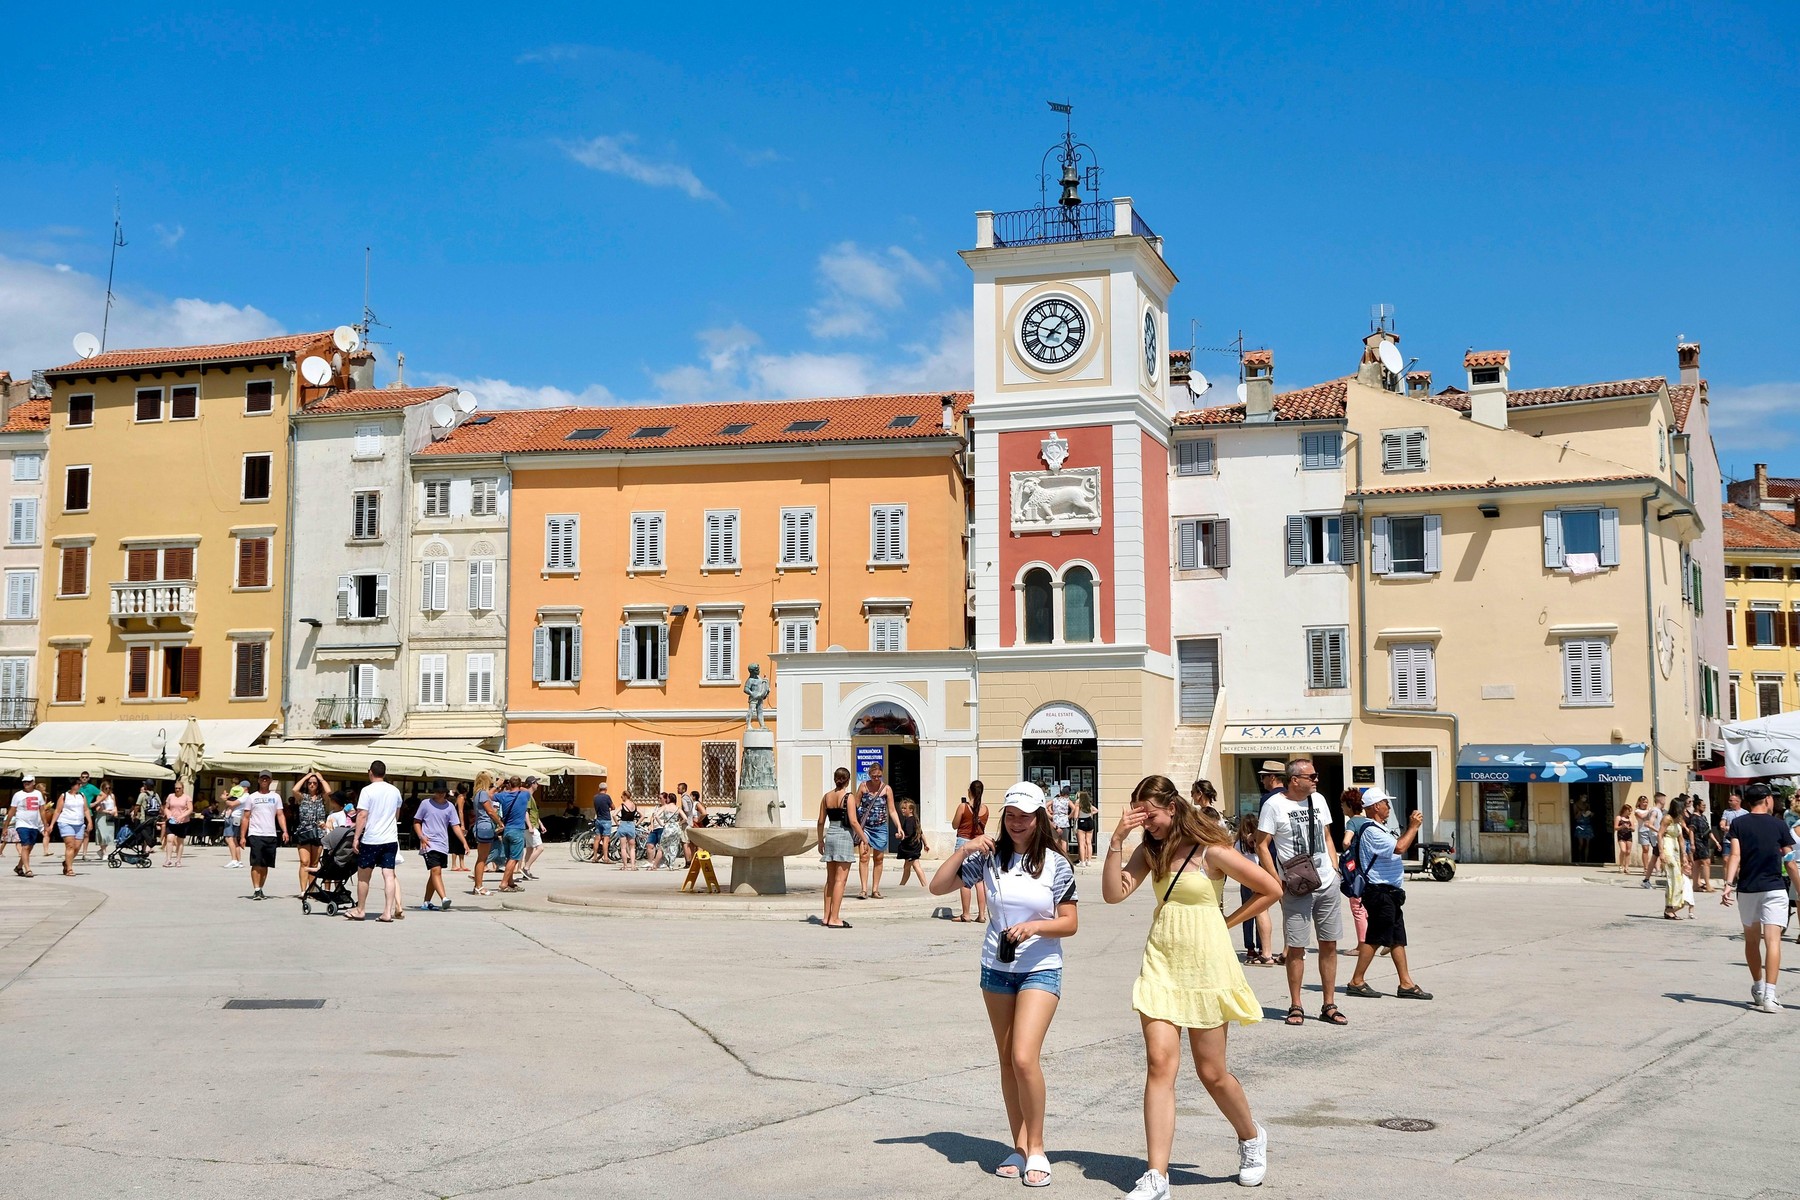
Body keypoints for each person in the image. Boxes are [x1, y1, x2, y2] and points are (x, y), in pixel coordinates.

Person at [1104, 775, 1279, 1196]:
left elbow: (1270, 888)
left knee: (1212, 1072)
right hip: (1163, 962)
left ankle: (1251, 1137)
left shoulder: (1212, 850)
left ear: (1172, 806)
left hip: (1207, 966)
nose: (1149, 824)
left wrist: (1227, 922)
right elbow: (1114, 894)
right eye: (1140, 817)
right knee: (1159, 1065)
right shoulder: (1150, 851)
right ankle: (1157, 1176)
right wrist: (1116, 840)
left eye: (1152, 816)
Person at [928, 781, 1078, 1188]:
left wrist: (1034, 928)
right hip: (996, 967)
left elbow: (1070, 922)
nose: (1017, 824)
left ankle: (1039, 1148)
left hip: (1040, 966)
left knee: (1025, 1057)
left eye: (1025, 817)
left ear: (1039, 817)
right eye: (1011, 816)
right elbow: (937, 886)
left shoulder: (1055, 863)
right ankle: (1018, 1145)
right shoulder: (990, 858)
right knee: (1007, 1060)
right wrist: (965, 848)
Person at [1255, 756, 1346, 1027]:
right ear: (1295, 780)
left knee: (1329, 944)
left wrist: (1335, 866)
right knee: (1296, 947)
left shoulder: (1319, 800)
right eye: (1312, 777)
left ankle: (1328, 1004)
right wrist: (1276, 880)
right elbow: (1262, 844)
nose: (1317, 780)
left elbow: (1328, 835)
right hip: (1296, 885)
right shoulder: (1273, 805)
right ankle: (1296, 1005)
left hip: (1327, 882)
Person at [1344, 787, 1434, 1000]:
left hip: (1390, 893)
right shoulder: (1372, 831)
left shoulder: (1380, 828)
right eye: (1386, 803)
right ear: (1376, 806)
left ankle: (1406, 983)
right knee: (1376, 937)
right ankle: (1356, 981)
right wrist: (1413, 827)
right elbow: (1400, 847)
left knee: (1396, 938)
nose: (1389, 807)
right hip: (1379, 892)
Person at [1722, 784, 1794, 1013]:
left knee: (1752, 940)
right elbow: (1790, 861)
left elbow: (1735, 854)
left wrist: (1727, 883)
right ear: (1766, 800)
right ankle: (1770, 997)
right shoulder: (1779, 825)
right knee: (1773, 941)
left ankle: (1759, 987)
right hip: (1774, 889)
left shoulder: (1738, 824)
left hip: (1747, 889)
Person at [348, 761, 403, 922]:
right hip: (390, 838)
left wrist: (356, 837)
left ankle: (361, 909)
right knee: (389, 875)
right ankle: (387, 912)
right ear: (384, 773)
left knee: (364, 876)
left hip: (372, 838)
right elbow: (396, 815)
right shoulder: (394, 790)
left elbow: (362, 815)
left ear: (370, 772)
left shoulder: (367, 790)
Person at [815, 768, 863, 928]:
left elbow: (821, 821)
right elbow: (854, 822)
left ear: (835, 779)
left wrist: (820, 840)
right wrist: (865, 839)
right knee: (840, 880)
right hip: (843, 836)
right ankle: (835, 918)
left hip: (830, 835)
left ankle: (826, 916)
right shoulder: (848, 797)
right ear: (848, 780)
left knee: (830, 879)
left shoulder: (827, 797)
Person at [413, 781, 468, 911]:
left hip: (442, 844)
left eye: (443, 792)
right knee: (436, 871)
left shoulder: (449, 807)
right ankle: (444, 898)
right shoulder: (425, 804)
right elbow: (416, 821)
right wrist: (421, 836)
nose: (440, 794)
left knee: (435, 873)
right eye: (438, 791)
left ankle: (426, 902)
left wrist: (464, 842)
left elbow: (455, 825)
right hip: (429, 843)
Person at [855, 762, 903, 900]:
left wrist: (898, 826)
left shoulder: (886, 789)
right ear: (869, 774)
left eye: (879, 776)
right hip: (865, 827)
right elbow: (856, 804)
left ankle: (875, 889)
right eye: (874, 776)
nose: (876, 778)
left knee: (879, 858)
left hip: (880, 827)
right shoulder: (863, 786)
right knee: (864, 857)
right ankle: (863, 889)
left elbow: (892, 809)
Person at [1232, 815, 1274, 965]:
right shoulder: (1260, 843)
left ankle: (1250, 947)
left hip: (1246, 881)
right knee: (1262, 913)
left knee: (1247, 914)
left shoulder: (1239, 844)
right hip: (1261, 880)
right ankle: (1263, 946)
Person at [241, 771, 289, 901]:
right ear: (258, 780)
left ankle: (261, 888)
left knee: (266, 864)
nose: (264, 780)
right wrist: (242, 836)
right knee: (256, 863)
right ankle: (256, 889)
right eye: (262, 778)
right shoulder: (252, 797)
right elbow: (246, 817)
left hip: (271, 833)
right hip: (256, 833)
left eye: (267, 778)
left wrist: (285, 831)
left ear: (270, 781)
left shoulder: (276, 797)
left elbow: (280, 815)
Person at [952, 782, 990, 923]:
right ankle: (981, 914)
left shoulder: (963, 807)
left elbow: (955, 824)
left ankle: (966, 914)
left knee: (964, 880)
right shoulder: (985, 809)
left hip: (964, 842)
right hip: (980, 843)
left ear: (969, 791)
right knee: (980, 880)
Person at [1339, 790, 1372, 953]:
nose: (1342, 808)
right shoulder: (1368, 821)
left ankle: (1362, 945)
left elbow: (1346, 841)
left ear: (1350, 806)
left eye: (1343, 805)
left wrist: (1348, 849)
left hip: (1356, 869)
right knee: (1368, 906)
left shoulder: (1352, 823)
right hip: (1369, 869)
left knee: (1357, 906)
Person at [291, 771, 328, 893]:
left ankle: (312, 889)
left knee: (314, 863)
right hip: (304, 831)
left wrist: (320, 778)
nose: (312, 785)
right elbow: (294, 790)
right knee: (304, 861)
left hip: (318, 832)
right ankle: (303, 890)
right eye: (310, 783)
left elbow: (329, 792)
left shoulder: (322, 798)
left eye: (315, 783)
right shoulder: (303, 797)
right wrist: (307, 776)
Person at [1660, 796, 1694, 919]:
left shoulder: (1678, 819)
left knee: (1677, 877)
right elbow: (1660, 835)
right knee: (1673, 877)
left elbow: (1681, 838)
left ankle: (1670, 907)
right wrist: (1661, 852)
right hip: (1667, 848)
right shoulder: (1667, 818)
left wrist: (1684, 855)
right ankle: (1670, 907)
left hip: (1675, 850)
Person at [7, 773, 46, 877]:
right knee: (25, 846)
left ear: (33, 783)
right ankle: (28, 869)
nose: (26, 784)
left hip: (34, 825)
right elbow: (12, 810)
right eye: (24, 782)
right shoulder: (18, 795)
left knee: (29, 847)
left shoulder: (38, 794)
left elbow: (42, 810)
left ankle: (19, 867)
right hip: (21, 824)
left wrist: (45, 824)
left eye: (28, 782)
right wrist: (6, 826)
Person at [496, 776, 531, 892]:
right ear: (520, 784)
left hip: (506, 831)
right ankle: (504, 883)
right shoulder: (524, 795)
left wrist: (499, 785)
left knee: (509, 858)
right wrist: (518, 786)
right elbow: (528, 790)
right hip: (517, 830)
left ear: (509, 784)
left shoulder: (503, 795)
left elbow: (489, 795)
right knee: (514, 858)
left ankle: (510, 882)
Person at [469, 771, 500, 894]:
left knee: (481, 858)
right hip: (485, 827)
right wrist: (499, 822)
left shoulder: (477, 794)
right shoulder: (482, 794)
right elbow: (490, 811)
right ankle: (479, 886)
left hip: (480, 826)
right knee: (482, 858)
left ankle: (478, 885)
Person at [53, 780, 91, 876]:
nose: (80, 786)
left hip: (79, 823)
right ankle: (69, 869)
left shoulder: (82, 796)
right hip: (66, 822)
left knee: (77, 847)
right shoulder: (64, 796)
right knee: (70, 845)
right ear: (73, 785)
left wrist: (90, 821)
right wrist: (52, 824)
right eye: (78, 784)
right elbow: (57, 810)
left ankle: (66, 862)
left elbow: (86, 809)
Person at [894, 798, 928, 887]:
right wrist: (925, 844)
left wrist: (899, 835)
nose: (903, 810)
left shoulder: (909, 821)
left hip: (911, 848)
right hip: (914, 847)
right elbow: (920, 832)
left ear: (911, 810)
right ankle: (902, 884)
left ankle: (925, 885)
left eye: (905, 808)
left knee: (916, 866)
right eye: (902, 808)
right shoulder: (914, 820)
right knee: (907, 866)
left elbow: (908, 834)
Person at [161, 779, 194, 867]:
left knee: (180, 841)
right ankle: (168, 859)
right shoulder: (170, 796)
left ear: (183, 788)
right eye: (176, 788)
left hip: (182, 822)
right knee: (169, 839)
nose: (177, 790)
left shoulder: (187, 797)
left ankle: (178, 860)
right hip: (171, 821)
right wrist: (168, 814)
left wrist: (182, 816)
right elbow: (166, 807)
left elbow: (190, 809)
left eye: (179, 788)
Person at [522, 780, 549, 879]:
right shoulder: (528, 796)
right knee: (540, 848)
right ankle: (526, 868)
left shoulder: (531, 796)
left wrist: (541, 824)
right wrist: (529, 826)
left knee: (530, 849)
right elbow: (526, 812)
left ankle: (526, 872)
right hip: (531, 826)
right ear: (532, 784)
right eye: (536, 783)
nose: (538, 785)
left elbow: (534, 813)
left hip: (533, 825)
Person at [1640, 794, 1667, 887]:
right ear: (1661, 800)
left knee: (1655, 858)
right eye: (1664, 799)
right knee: (1663, 856)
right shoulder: (1655, 811)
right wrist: (1660, 831)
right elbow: (1649, 824)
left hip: (1656, 837)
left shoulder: (1657, 810)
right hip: (1656, 838)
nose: (1665, 801)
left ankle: (1646, 880)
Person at [655, 791, 686, 869]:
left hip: (667, 827)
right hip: (676, 828)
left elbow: (656, 816)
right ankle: (671, 865)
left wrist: (662, 824)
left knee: (662, 847)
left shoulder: (666, 807)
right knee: (673, 846)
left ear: (669, 799)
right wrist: (679, 823)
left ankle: (655, 865)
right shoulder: (678, 808)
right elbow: (685, 818)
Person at [90, 780, 119, 860]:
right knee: (103, 835)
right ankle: (104, 852)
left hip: (110, 816)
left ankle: (101, 850)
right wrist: (107, 811)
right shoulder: (100, 796)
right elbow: (98, 808)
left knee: (109, 836)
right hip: (102, 816)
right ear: (102, 788)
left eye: (109, 788)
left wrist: (115, 812)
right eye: (106, 788)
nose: (108, 790)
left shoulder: (112, 796)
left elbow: (115, 805)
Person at [223, 782, 248, 869]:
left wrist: (224, 799)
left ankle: (234, 860)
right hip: (236, 817)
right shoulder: (241, 795)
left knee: (229, 838)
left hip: (234, 817)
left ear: (245, 788)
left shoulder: (245, 796)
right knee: (233, 839)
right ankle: (238, 861)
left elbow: (232, 804)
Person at [449, 782, 472, 873]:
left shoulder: (464, 798)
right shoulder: (461, 797)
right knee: (456, 842)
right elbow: (460, 811)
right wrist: (462, 824)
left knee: (462, 842)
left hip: (464, 821)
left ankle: (462, 863)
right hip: (458, 822)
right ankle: (454, 864)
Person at [590, 779, 614, 865]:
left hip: (598, 819)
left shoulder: (595, 797)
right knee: (606, 839)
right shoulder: (607, 797)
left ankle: (595, 857)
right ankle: (606, 858)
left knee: (597, 839)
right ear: (606, 789)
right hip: (606, 820)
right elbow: (613, 807)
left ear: (598, 789)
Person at [616, 793, 642, 871]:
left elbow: (614, 814)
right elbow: (642, 815)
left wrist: (617, 823)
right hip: (631, 825)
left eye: (622, 796)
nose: (621, 798)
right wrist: (637, 823)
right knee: (632, 848)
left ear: (625, 796)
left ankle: (625, 866)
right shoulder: (634, 805)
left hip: (623, 825)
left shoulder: (622, 805)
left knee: (623, 848)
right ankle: (633, 865)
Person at [1075, 791, 1097, 866]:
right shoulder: (1089, 804)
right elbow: (1092, 812)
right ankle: (1089, 861)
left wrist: (1075, 822)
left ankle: (1082, 861)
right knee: (1089, 842)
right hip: (1089, 821)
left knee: (1082, 843)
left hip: (1082, 822)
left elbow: (1075, 815)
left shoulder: (1078, 803)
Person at [1613, 801, 1635, 872]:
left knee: (1628, 851)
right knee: (1623, 850)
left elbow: (1633, 828)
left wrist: (1630, 828)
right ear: (1625, 810)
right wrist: (1622, 826)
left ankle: (1627, 867)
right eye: (1629, 811)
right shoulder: (1618, 818)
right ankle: (1621, 865)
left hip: (1628, 835)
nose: (1630, 813)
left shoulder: (1630, 818)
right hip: (1621, 835)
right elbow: (1615, 827)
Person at [1051, 784, 1073, 856]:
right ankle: (1064, 855)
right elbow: (1074, 808)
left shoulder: (1054, 800)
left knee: (1055, 839)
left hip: (1056, 821)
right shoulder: (1067, 800)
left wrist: (1051, 816)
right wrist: (1069, 816)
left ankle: (1055, 854)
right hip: (1064, 821)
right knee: (1064, 840)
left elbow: (1045, 806)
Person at [1572, 798, 1594, 864]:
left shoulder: (1587, 805)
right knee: (1581, 844)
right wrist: (1579, 813)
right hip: (1580, 826)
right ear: (1580, 796)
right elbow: (1575, 817)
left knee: (1587, 844)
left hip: (1587, 826)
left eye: (1586, 797)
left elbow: (1591, 816)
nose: (1585, 798)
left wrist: (1591, 814)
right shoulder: (1575, 805)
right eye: (1584, 796)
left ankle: (1586, 860)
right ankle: (1579, 858)